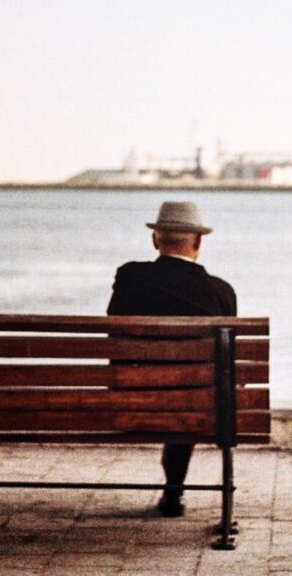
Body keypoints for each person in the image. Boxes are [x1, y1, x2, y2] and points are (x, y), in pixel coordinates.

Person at [107, 200, 237, 517]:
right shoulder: (220, 292)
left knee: (177, 387)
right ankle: (174, 490)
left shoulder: (129, 277)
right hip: (193, 406)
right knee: (193, 390)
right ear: (198, 242)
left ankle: (173, 491)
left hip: (130, 400)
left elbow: (115, 336)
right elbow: (228, 361)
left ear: (156, 240)